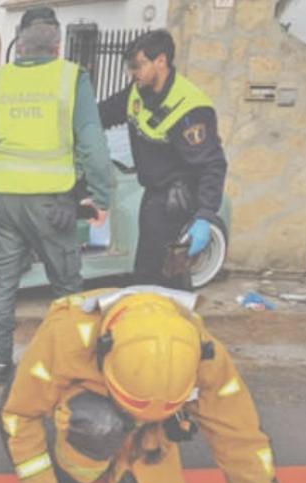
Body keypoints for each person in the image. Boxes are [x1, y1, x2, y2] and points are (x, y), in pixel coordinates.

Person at [0, 288, 281, 483]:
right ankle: (70, 473)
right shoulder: (67, 336)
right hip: (84, 406)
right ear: (103, 355)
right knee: (98, 424)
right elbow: (19, 415)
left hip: (149, 430)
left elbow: (239, 436)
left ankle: (127, 455)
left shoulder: (203, 352)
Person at [0, 7, 114, 384]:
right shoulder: (71, 78)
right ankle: (69, 366)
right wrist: (100, 195)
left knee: (3, 284)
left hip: (4, 199)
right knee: (66, 288)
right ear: (57, 45)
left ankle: (0, 365)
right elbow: (94, 147)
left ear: (19, 44)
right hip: (53, 205)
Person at [98, 30, 228, 290]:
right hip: (155, 196)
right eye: (130, 67)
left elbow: (213, 164)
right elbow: (105, 113)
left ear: (161, 61)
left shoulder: (189, 107)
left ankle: (171, 326)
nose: (132, 73)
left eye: (138, 66)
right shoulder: (138, 91)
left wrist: (205, 215)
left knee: (165, 278)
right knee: (148, 273)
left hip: (177, 201)